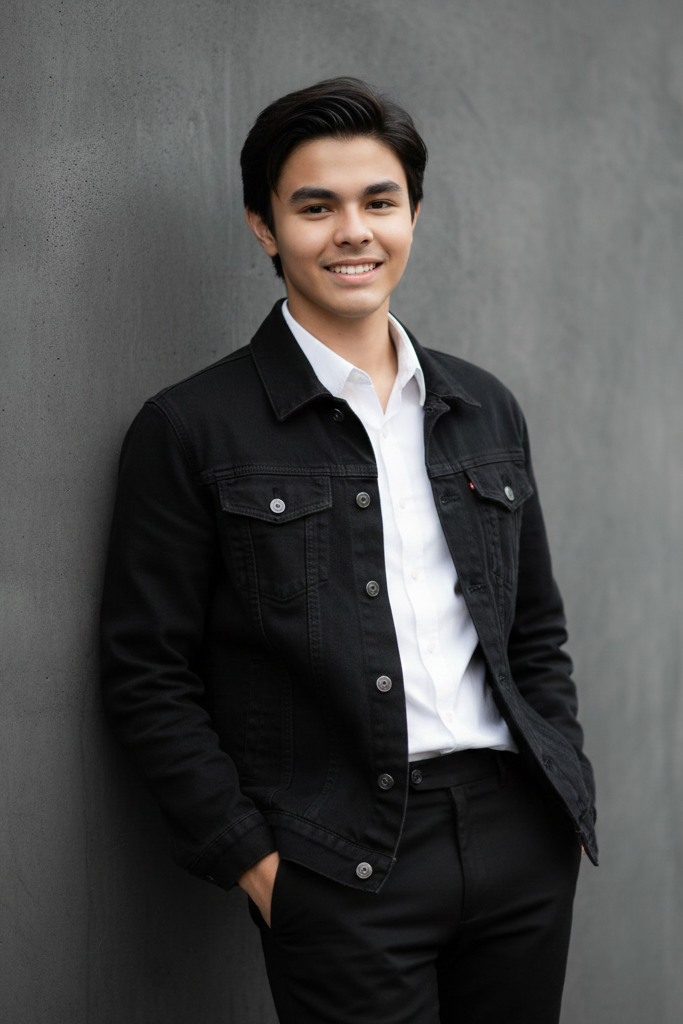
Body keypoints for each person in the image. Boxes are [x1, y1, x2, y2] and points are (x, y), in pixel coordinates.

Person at [100, 77, 597, 1024]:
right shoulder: (192, 428)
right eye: (314, 206)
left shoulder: (482, 407)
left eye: (378, 202)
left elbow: (534, 630)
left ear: (413, 212)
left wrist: (558, 799)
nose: (353, 232)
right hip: (340, 864)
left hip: (516, 838)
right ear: (263, 225)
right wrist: (257, 864)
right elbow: (143, 673)